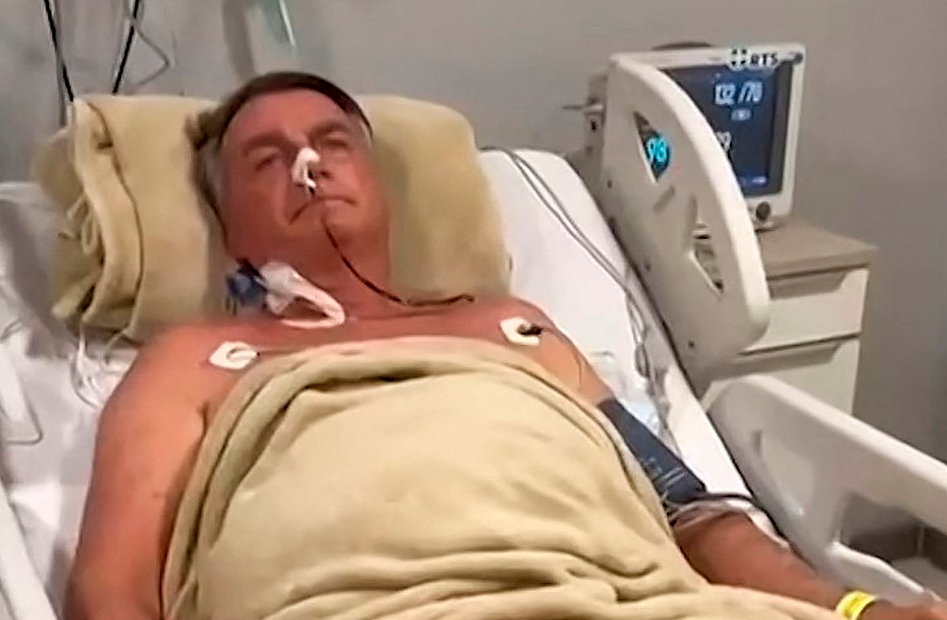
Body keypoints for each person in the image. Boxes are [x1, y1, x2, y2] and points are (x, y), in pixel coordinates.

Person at [65, 72, 946, 620]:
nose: (309, 164)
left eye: (333, 143)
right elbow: (113, 591)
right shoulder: (192, 358)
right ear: (228, 224)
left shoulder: (511, 327)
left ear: (380, 185)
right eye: (266, 159)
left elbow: (688, 511)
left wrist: (854, 608)